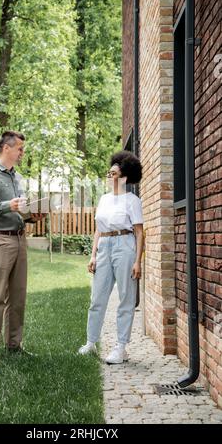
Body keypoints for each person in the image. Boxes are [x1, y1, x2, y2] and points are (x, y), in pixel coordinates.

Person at [0, 130, 44, 365]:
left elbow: (19, 210)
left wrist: (33, 215)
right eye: (20, 148)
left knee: (18, 296)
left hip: (19, 238)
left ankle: (14, 345)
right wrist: (6, 205)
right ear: (6, 148)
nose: (22, 152)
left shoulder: (17, 178)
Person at [78, 150, 144, 364]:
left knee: (126, 298)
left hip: (125, 246)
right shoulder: (104, 199)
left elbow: (139, 232)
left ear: (124, 177)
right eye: (108, 173)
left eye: (113, 174)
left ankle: (121, 347)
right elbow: (98, 229)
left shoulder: (132, 201)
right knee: (97, 298)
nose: (109, 176)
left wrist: (137, 261)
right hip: (104, 246)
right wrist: (93, 255)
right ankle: (90, 342)